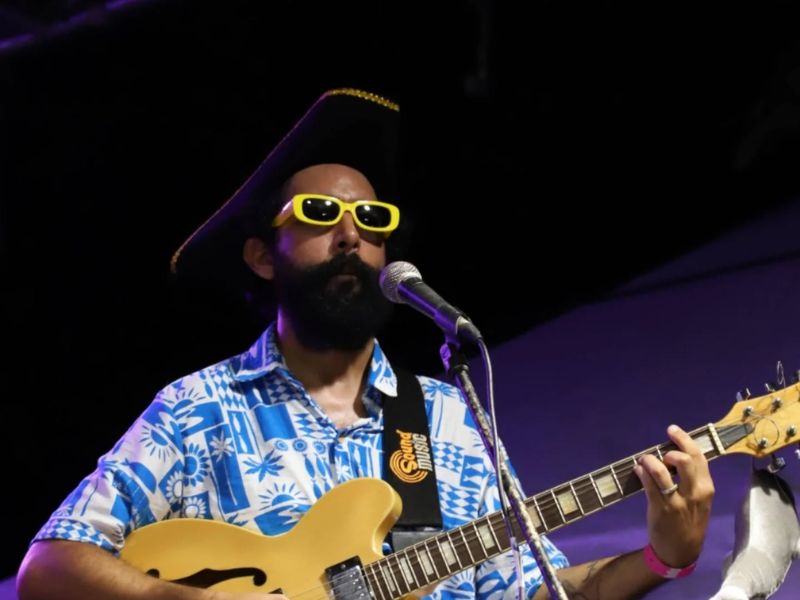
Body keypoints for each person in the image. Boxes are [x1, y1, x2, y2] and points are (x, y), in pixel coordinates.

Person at [17, 88, 714, 600]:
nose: (352, 233)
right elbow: (47, 568)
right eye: (320, 213)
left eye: (372, 219)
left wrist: (664, 557)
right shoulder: (196, 408)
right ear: (261, 256)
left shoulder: (446, 418)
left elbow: (540, 593)